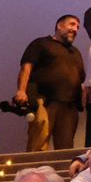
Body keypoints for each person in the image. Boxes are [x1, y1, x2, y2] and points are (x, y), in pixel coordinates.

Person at [16, 14, 87, 149]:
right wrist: (21, 91)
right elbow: (26, 67)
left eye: (78, 27)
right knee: (39, 141)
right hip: (43, 100)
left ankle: (63, 170)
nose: (75, 29)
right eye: (72, 24)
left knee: (65, 149)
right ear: (59, 26)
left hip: (69, 106)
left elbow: (81, 79)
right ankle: (35, 170)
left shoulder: (76, 52)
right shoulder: (41, 44)